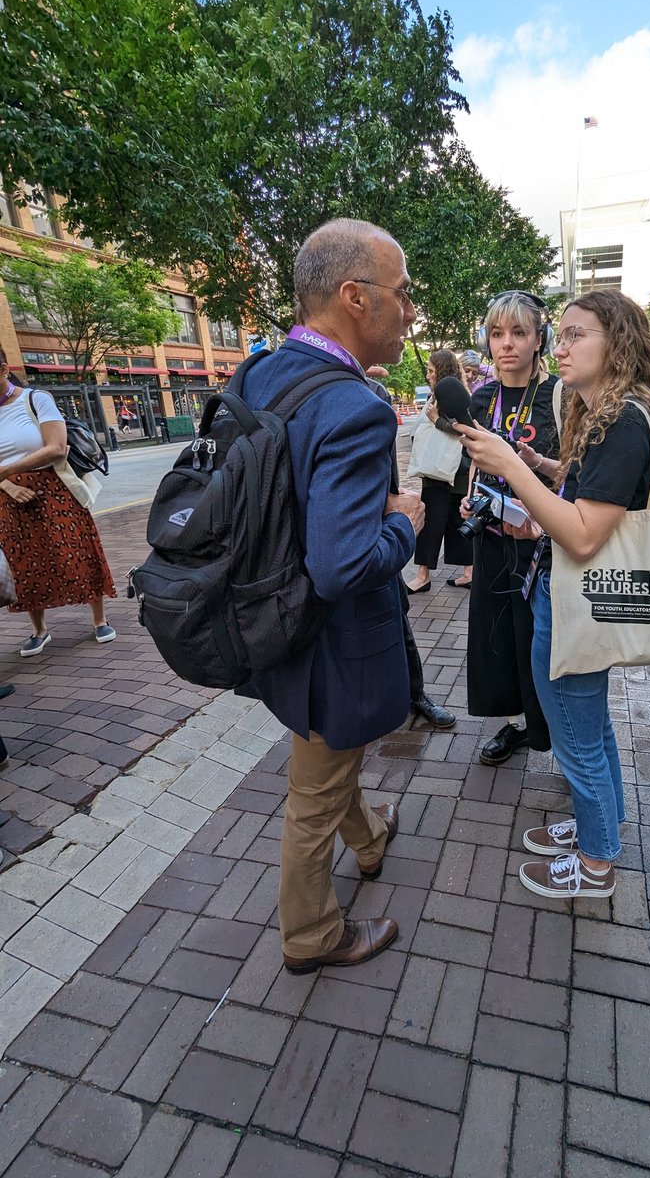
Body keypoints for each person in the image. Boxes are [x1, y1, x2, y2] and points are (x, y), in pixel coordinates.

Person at [457, 289, 650, 899]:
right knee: (589, 729)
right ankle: (603, 829)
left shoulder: (618, 418)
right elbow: (593, 495)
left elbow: (586, 535)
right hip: (569, 599)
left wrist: (511, 468)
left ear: (615, 343)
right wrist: (546, 468)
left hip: (573, 602)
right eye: (559, 334)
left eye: (574, 335)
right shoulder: (612, 411)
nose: (558, 346)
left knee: (575, 735)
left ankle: (595, 864)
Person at [237, 219, 425, 975]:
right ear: (355, 297)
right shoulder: (355, 407)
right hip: (333, 642)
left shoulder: (259, 372)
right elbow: (344, 567)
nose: (410, 309)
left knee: (326, 758)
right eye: (402, 291)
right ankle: (312, 936)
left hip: (273, 619)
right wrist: (405, 525)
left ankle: (371, 842)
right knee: (312, 793)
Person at [464, 291, 559, 765]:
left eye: (519, 333)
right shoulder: (482, 398)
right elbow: (476, 461)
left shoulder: (561, 395)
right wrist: (470, 495)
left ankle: (558, 733)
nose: (507, 344)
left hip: (543, 543)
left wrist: (537, 474)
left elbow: (576, 470)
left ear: (539, 339)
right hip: (493, 536)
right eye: (497, 334)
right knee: (499, 636)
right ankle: (515, 724)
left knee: (540, 638)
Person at [0, 348, 116, 656]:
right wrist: (7, 485)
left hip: (53, 488)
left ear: (3, 370)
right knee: (22, 562)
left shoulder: (35, 400)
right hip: (8, 497)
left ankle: (99, 619)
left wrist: (8, 469)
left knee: (79, 550)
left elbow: (57, 448)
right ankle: (39, 630)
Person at [365, 365, 457, 730]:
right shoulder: (311, 387)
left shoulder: (376, 392)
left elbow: (388, 472)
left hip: (379, 539)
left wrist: (392, 502)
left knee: (397, 617)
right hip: (339, 546)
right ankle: (373, 704)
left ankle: (415, 694)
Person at [406, 350, 473, 593]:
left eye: (431, 371)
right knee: (455, 520)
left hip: (443, 471)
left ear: (442, 371)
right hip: (453, 471)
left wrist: (436, 420)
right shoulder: (451, 393)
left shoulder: (449, 396)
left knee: (431, 523)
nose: (428, 375)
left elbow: (464, 428)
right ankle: (468, 572)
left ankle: (423, 576)